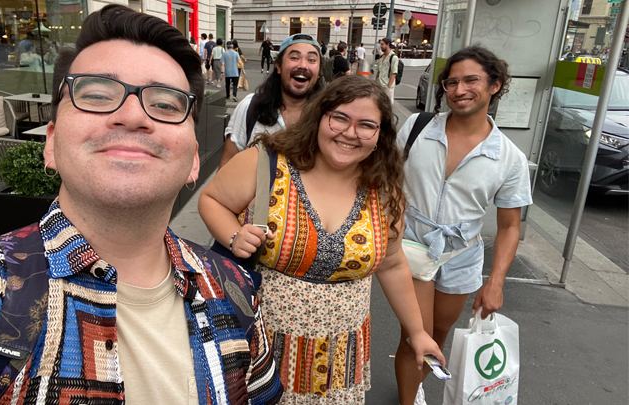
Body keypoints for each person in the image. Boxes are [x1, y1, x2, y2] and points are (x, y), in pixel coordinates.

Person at [0, 5, 283, 405]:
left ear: (193, 158)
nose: (132, 114)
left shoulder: (237, 289)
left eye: (166, 104)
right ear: (50, 143)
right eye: (97, 95)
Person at [199, 75, 445, 404]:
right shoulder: (266, 164)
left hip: (340, 357)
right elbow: (212, 200)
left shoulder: (384, 191)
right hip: (262, 347)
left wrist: (417, 333)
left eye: (366, 125)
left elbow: (392, 263)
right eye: (340, 118)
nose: (350, 132)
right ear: (319, 118)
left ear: (379, 135)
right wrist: (232, 236)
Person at [394, 46, 532, 405]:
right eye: (452, 82)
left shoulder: (509, 157)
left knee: (439, 332)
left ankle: (415, 382)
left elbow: (509, 226)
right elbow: (385, 178)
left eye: (471, 80)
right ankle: (408, 399)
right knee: (415, 334)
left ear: (495, 85)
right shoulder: (418, 127)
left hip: (462, 253)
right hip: (413, 245)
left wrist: (495, 282)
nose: (459, 89)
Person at [218, 33, 325, 167]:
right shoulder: (250, 107)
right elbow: (227, 166)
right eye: (294, 57)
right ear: (278, 66)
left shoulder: (328, 116)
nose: (303, 65)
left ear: (319, 72)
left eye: (311, 60)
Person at [376, 38, 399, 104]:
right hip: (379, 85)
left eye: (382, 44)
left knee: (387, 105)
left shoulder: (393, 57)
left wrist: (388, 86)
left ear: (387, 44)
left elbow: (394, 73)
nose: (380, 46)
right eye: (380, 44)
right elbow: (378, 71)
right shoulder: (382, 57)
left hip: (387, 86)